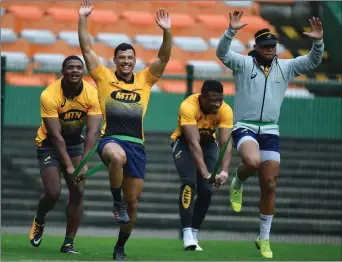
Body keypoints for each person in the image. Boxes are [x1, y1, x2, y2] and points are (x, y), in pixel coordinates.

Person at [216, 10, 324, 259]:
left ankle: (263, 238)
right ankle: (238, 181)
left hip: (270, 130)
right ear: (256, 47)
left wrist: (317, 42)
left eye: (273, 46)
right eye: (265, 47)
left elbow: (311, 62)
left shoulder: (284, 67)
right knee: (252, 162)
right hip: (245, 125)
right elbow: (221, 53)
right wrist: (231, 30)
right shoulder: (243, 63)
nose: (270, 50)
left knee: (270, 184)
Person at [77, 0, 172, 260]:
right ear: (115, 60)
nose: (127, 62)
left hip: (137, 145)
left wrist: (166, 31)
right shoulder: (104, 77)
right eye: (122, 58)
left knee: (133, 205)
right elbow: (86, 48)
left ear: (135, 60)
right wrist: (83, 18)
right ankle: (115, 200)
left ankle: (120, 245)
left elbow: (163, 57)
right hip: (111, 140)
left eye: (130, 58)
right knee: (117, 158)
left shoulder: (145, 79)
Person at [29, 55, 103, 254]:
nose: (75, 71)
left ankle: (68, 243)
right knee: (53, 193)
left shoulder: (92, 94)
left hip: (75, 145)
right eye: (70, 67)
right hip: (49, 145)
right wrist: (70, 166)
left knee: (78, 192)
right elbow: (54, 134)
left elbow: (93, 132)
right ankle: (40, 219)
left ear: (83, 72)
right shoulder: (49, 95)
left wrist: (84, 162)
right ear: (63, 72)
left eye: (79, 67)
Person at [170, 80, 233, 251]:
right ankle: (187, 233)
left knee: (206, 190)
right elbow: (193, 142)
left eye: (220, 99)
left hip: (209, 145)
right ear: (202, 97)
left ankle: (194, 232)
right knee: (190, 182)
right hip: (184, 144)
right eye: (212, 100)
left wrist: (224, 172)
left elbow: (225, 142)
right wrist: (205, 172)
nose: (216, 104)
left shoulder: (225, 110)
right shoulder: (188, 106)